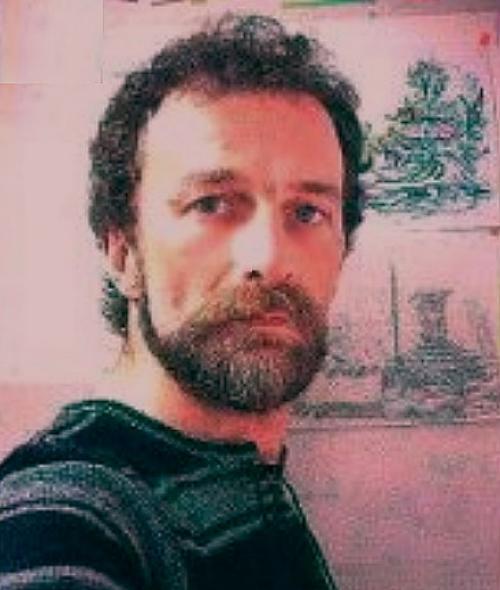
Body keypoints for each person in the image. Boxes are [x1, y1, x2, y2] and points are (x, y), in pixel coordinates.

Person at [0, 13, 364, 590]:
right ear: (124, 254)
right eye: (212, 204)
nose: (270, 258)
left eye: (307, 212)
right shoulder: (65, 516)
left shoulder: (245, 476)